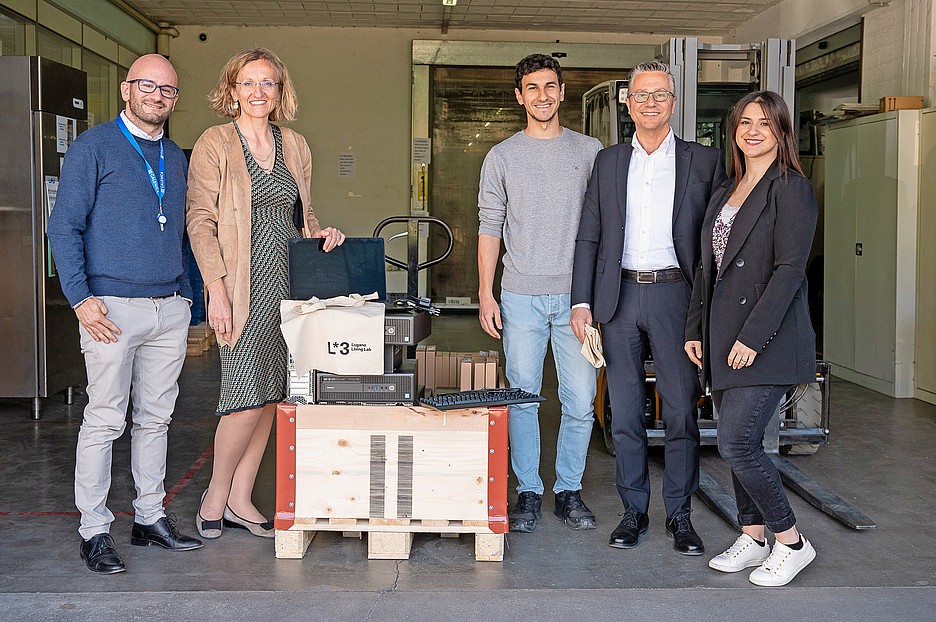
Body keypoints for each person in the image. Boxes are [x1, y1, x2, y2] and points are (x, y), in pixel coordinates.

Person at [48, 54, 203, 574]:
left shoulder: (176, 158)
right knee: (104, 419)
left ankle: (148, 518)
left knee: (156, 420)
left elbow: (180, 233)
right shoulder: (94, 147)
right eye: (148, 86)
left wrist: (185, 295)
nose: (158, 96)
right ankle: (94, 530)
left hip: (168, 309)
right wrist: (82, 299)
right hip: (110, 309)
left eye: (169, 90)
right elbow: (63, 227)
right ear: (125, 89)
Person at [187, 48, 345, 540]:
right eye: (248, 83)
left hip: (291, 289)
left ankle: (240, 497)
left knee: (274, 395)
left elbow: (304, 217)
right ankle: (214, 497)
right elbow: (200, 221)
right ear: (231, 89)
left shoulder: (295, 144)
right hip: (241, 286)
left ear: (280, 91)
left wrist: (324, 235)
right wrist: (215, 288)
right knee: (244, 396)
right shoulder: (215, 142)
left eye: (268, 83)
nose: (259, 92)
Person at [571, 61, 727, 555]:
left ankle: (680, 515)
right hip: (617, 298)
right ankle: (633, 511)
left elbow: (715, 240)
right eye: (642, 95)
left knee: (681, 412)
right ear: (628, 103)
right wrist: (582, 301)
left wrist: (710, 309)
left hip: (676, 296)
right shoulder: (610, 162)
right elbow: (590, 234)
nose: (651, 102)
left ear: (674, 103)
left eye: (661, 94)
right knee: (623, 415)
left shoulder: (704, 160)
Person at [684, 90, 818, 586]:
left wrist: (754, 337)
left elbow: (789, 271)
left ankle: (791, 541)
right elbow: (708, 268)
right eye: (745, 122)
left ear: (782, 131)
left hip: (767, 338)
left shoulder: (791, 188)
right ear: (734, 131)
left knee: (739, 443)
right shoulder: (727, 190)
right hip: (721, 337)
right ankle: (752, 533)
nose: (753, 130)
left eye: (765, 122)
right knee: (731, 439)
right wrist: (695, 329)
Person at [478, 54, 602, 533]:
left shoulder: (590, 151)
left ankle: (568, 490)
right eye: (533, 87)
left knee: (579, 399)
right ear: (519, 96)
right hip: (520, 297)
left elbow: (605, 226)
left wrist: (594, 298)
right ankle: (528, 490)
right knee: (522, 399)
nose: (543, 95)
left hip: (577, 301)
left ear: (562, 91)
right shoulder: (502, 156)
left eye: (550, 86)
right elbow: (490, 227)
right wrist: (486, 294)